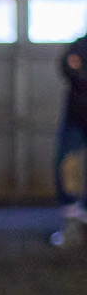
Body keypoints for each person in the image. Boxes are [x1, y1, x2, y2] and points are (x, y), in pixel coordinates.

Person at [58, 32, 87, 245]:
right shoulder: (81, 43)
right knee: (68, 165)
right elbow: (68, 66)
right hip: (77, 117)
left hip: (76, 114)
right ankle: (72, 223)